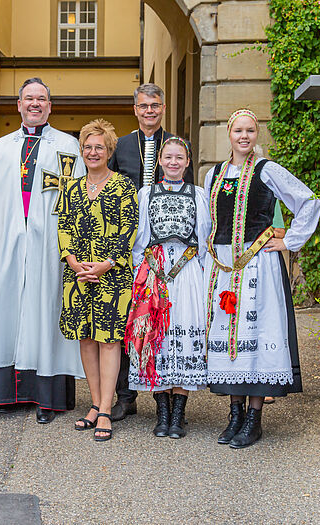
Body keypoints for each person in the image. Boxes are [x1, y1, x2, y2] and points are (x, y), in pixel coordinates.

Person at [0, 78, 86, 424]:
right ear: (18, 105)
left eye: (41, 99)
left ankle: (49, 398)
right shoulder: (1, 147)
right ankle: (10, 395)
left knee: (46, 312)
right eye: (29, 98)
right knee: (11, 311)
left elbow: (78, 198)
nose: (35, 103)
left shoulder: (67, 146)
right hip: (8, 247)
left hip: (50, 247)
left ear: (50, 106)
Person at [205, 109, 320, 448]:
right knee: (231, 339)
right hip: (225, 269)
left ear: (257, 135)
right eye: (238, 130)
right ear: (229, 134)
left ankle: (254, 418)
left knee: (256, 336)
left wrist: (288, 241)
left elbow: (308, 201)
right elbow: (209, 226)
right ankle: (235, 414)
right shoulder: (214, 174)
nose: (244, 136)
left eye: (250, 131)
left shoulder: (267, 170)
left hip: (259, 265)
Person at [106, 82, 194, 422]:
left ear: (163, 107)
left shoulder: (175, 145)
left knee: (164, 322)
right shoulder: (123, 146)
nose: (149, 111)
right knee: (129, 318)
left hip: (163, 249)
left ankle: (170, 399)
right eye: (143, 106)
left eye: (155, 105)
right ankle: (125, 397)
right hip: (128, 242)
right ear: (135, 109)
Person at [124, 137, 211, 439]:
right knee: (155, 335)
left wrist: (200, 273)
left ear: (188, 162)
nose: (174, 162)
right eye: (169, 157)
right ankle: (161, 411)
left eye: (180, 157)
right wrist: (144, 273)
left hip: (186, 272)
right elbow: (140, 237)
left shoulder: (198, 194)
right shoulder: (146, 193)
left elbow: (203, 238)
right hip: (155, 270)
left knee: (184, 334)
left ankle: (179, 414)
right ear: (159, 160)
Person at [58, 119, 137, 441]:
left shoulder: (123, 185)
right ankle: (93, 402)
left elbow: (129, 230)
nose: (93, 152)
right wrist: (75, 262)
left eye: (99, 147)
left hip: (113, 276)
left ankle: (106, 408)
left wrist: (105, 264)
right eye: (88, 147)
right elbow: (63, 225)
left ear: (109, 151)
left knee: (109, 340)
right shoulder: (71, 187)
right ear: (82, 150)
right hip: (77, 276)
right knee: (86, 339)